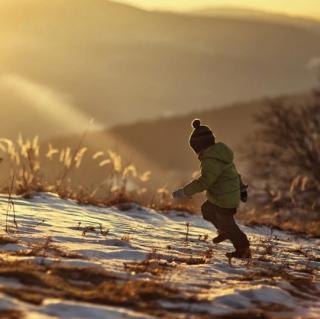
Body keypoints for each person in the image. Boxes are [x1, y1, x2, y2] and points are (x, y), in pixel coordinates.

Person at [172, 119, 251, 259]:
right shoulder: (222, 156)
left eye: (196, 149)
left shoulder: (211, 160)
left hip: (223, 199)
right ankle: (223, 231)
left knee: (229, 225)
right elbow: (234, 174)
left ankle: (243, 249)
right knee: (207, 210)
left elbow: (205, 182)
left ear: (199, 147)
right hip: (226, 196)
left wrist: (185, 191)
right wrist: (242, 189)